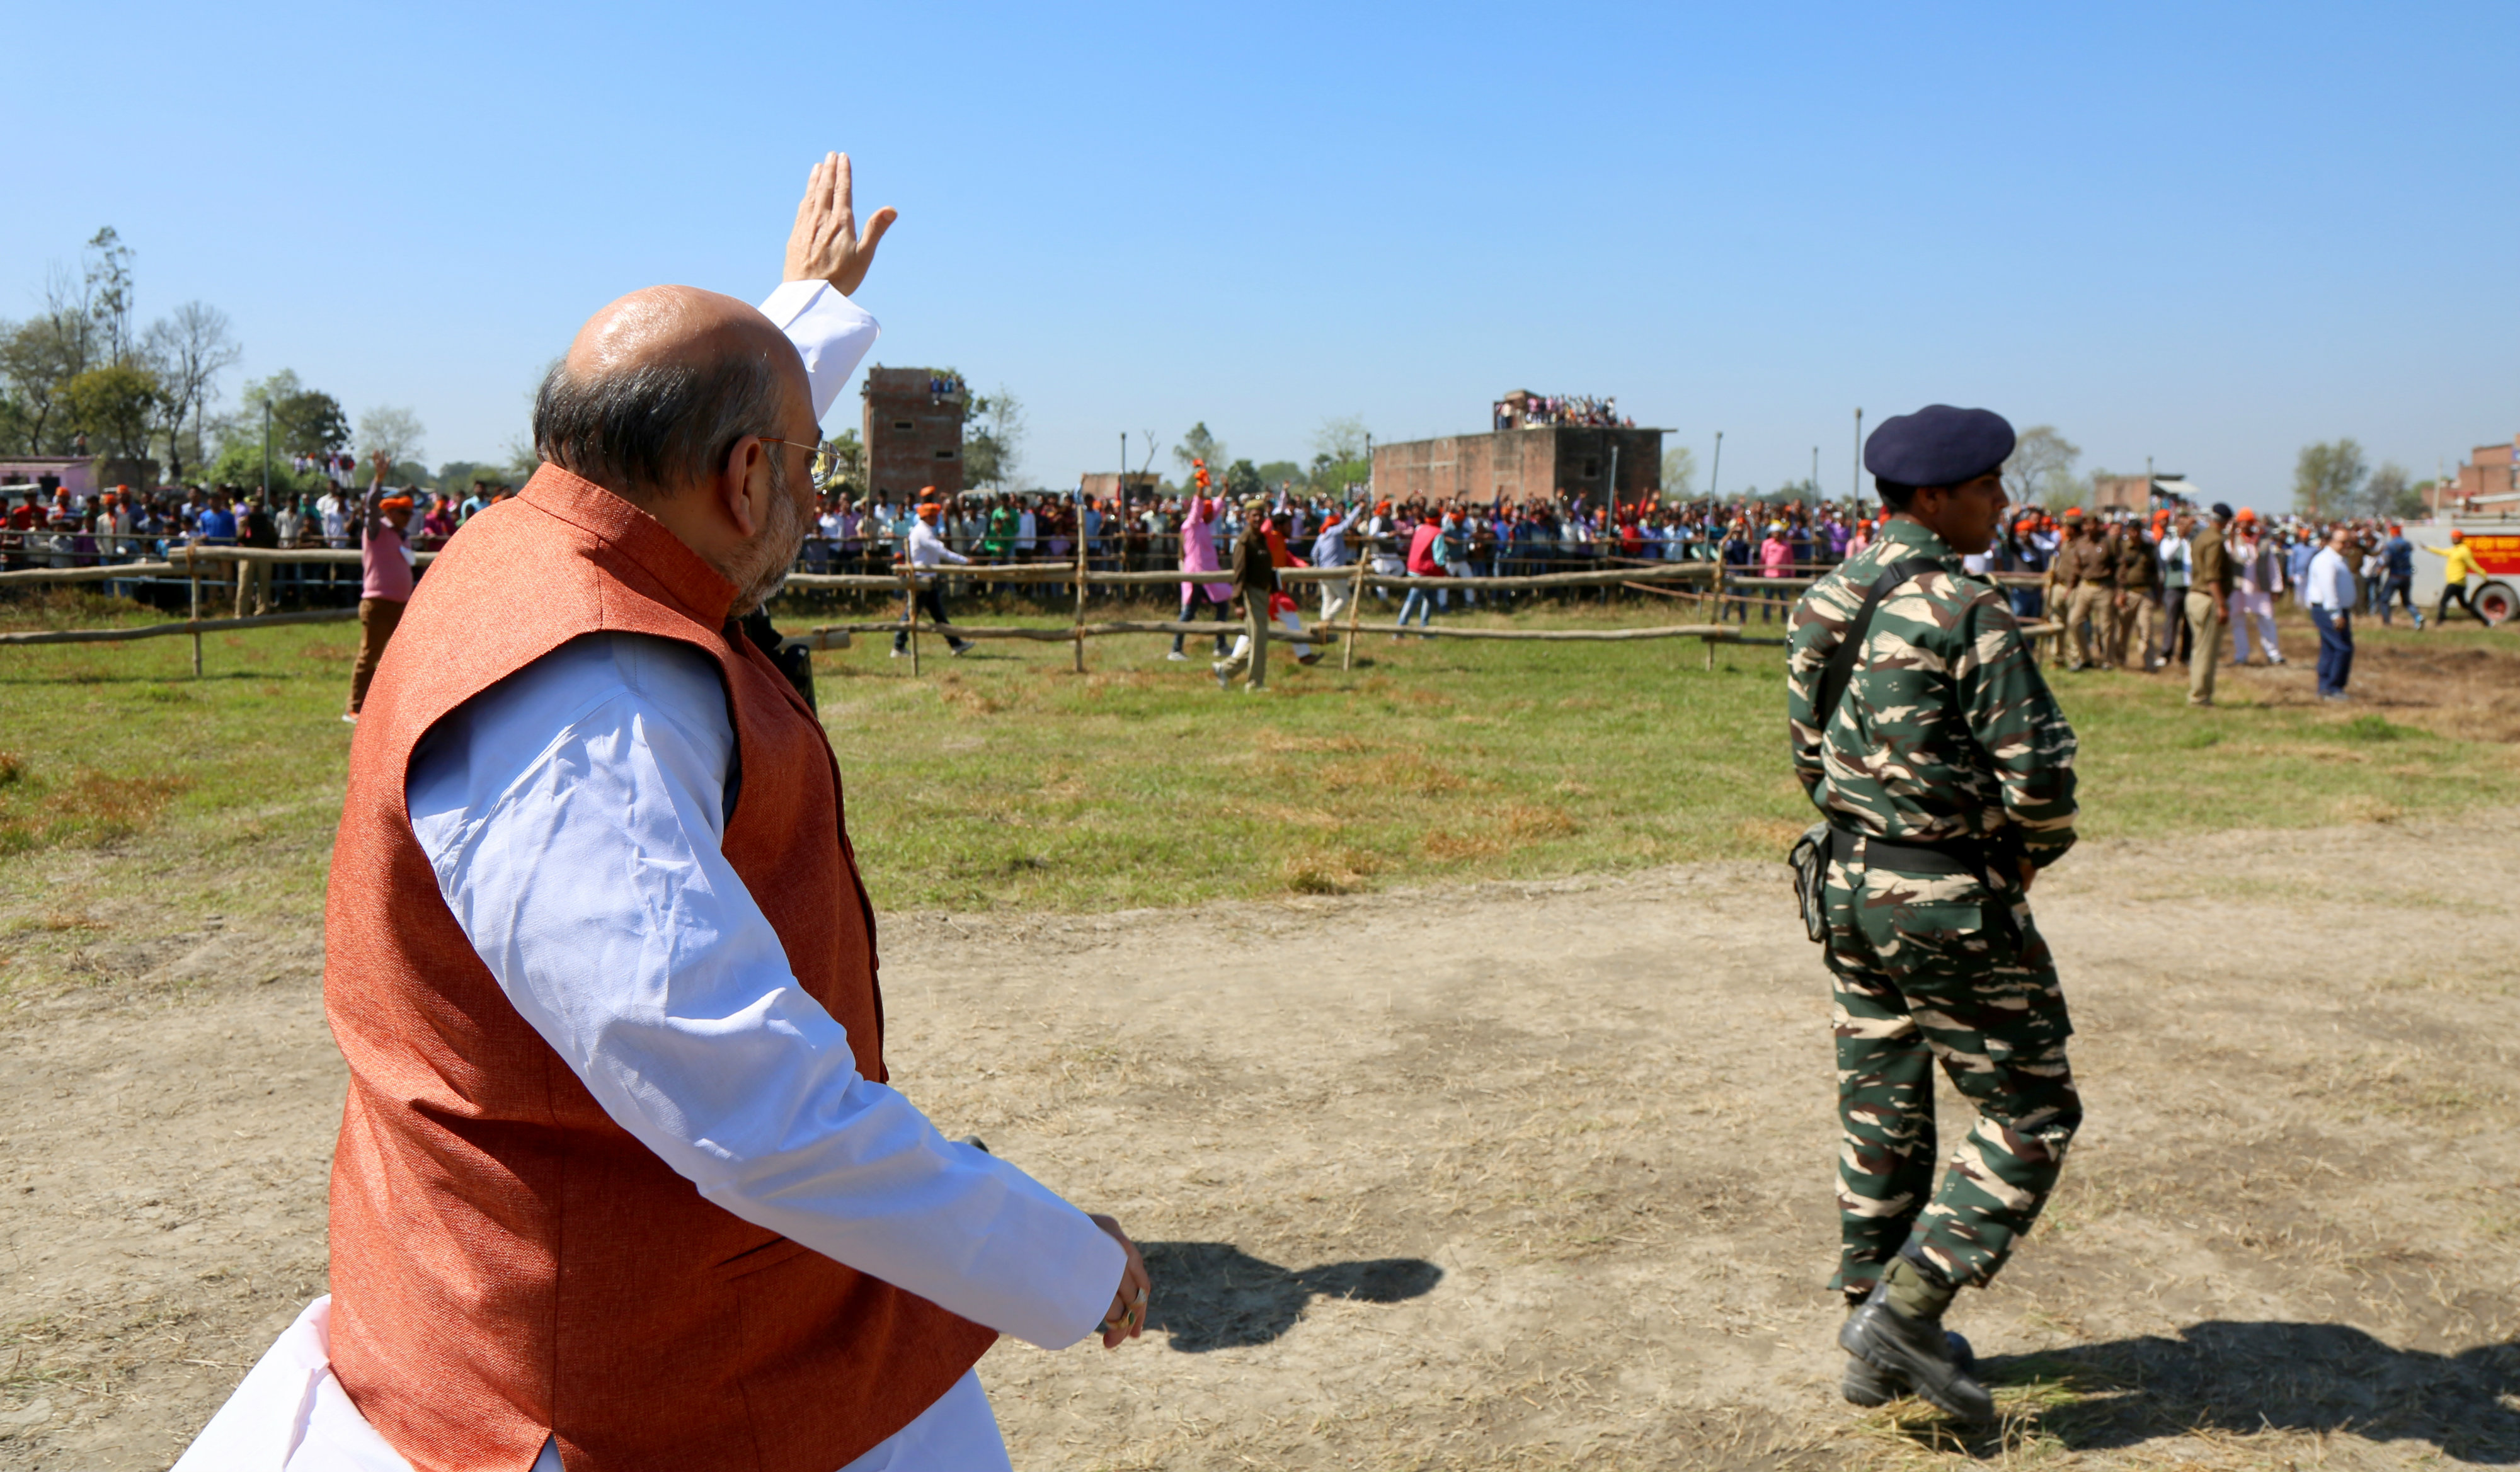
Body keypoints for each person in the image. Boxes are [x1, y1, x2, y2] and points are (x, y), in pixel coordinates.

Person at [180, 154, 1150, 1472]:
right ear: (744, 476)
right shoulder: (596, 698)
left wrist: (800, 307)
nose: (813, 503)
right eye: (799, 469)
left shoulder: (528, 542)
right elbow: (746, 1098)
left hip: (584, 1272)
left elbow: (679, 433)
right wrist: (1056, 1260)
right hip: (638, 1367)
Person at [1787, 405, 2080, 1426]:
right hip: (1946, 896)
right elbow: (2039, 779)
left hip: (1845, 882)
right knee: (2034, 1107)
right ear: (1931, 499)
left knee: (1884, 1105)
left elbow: (1805, 750)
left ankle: (1872, 1332)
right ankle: (1908, 1316)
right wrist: (2025, 854)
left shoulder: (1827, 596)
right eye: (1987, 487)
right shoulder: (1964, 606)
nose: (2003, 501)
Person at [343, 456, 415, 722]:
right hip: (378, 603)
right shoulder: (376, 530)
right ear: (390, 512)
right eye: (404, 513)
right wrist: (379, 479)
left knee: (396, 659)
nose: (408, 518)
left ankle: (386, 707)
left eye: (410, 513)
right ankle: (355, 706)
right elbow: (371, 506)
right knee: (369, 655)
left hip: (400, 603)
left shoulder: (401, 536)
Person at [895, 494, 973, 659]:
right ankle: (898, 646)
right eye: (935, 516)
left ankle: (956, 644)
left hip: (927, 579)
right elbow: (942, 552)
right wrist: (965, 561)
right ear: (927, 517)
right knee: (911, 614)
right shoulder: (923, 532)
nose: (937, 519)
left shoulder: (924, 530)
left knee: (938, 615)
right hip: (921, 580)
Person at [1213, 496, 1278, 690]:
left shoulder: (1261, 539)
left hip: (1263, 593)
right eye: (1254, 516)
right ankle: (1255, 683)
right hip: (1251, 594)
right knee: (1258, 639)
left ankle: (1226, 669)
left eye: (1261, 515)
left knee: (1259, 640)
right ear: (1247, 517)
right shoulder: (1245, 541)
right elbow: (1239, 573)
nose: (1258, 519)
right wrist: (1238, 602)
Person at [2183, 503, 2235, 707]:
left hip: (2195, 596)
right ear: (2226, 521)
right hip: (2208, 598)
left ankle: (2199, 692)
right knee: (2206, 651)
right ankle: (2200, 696)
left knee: (2199, 649)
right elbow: (2213, 576)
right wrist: (2221, 604)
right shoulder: (2215, 540)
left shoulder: (2201, 537)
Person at [2305, 523, 2358, 700]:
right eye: (2343, 542)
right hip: (2328, 609)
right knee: (2342, 648)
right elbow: (2329, 589)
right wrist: (2336, 614)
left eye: (2349, 542)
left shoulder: (2338, 559)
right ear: (2331, 541)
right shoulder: (2326, 561)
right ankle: (2334, 688)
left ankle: (2326, 687)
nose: (2347, 546)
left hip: (2335, 609)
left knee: (2330, 648)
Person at [2226, 510, 2285, 666]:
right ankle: (2241, 655)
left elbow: (2272, 566)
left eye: (2248, 521)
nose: (2245, 525)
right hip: (2239, 588)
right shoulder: (2233, 541)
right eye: (2242, 522)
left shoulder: (2263, 543)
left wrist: (2276, 587)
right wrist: (2231, 537)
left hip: (2260, 588)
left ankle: (2274, 654)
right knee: (2238, 621)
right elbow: (2228, 557)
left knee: (2266, 619)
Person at [2109, 517, 2160, 670]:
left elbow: (2155, 572)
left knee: (2146, 630)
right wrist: (2119, 593)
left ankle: (2149, 663)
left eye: (2137, 531)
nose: (2134, 534)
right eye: (2131, 531)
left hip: (2145, 594)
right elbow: (2117, 572)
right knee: (2123, 630)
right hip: (2127, 593)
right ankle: (2120, 661)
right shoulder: (2122, 548)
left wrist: (2157, 595)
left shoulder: (2148, 549)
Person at [2424, 530, 2490, 627]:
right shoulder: (2454, 550)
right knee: (2465, 605)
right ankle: (2485, 621)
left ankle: (2439, 622)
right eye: (2453, 537)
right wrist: (2428, 548)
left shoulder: (2465, 551)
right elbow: (2442, 552)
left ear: (2461, 538)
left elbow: (2472, 564)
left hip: (2456, 581)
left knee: (2443, 602)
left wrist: (2484, 575)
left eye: (2456, 537)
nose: (2454, 539)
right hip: (2457, 583)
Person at [2378, 524, 2421, 627]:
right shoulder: (2408, 544)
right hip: (2407, 577)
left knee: (2384, 600)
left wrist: (2381, 569)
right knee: (2407, 601)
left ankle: (2387, 623)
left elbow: (2387, 560)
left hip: (2395, 576)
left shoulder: (2390, 545)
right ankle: (2418, 617)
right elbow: (2411, 549)